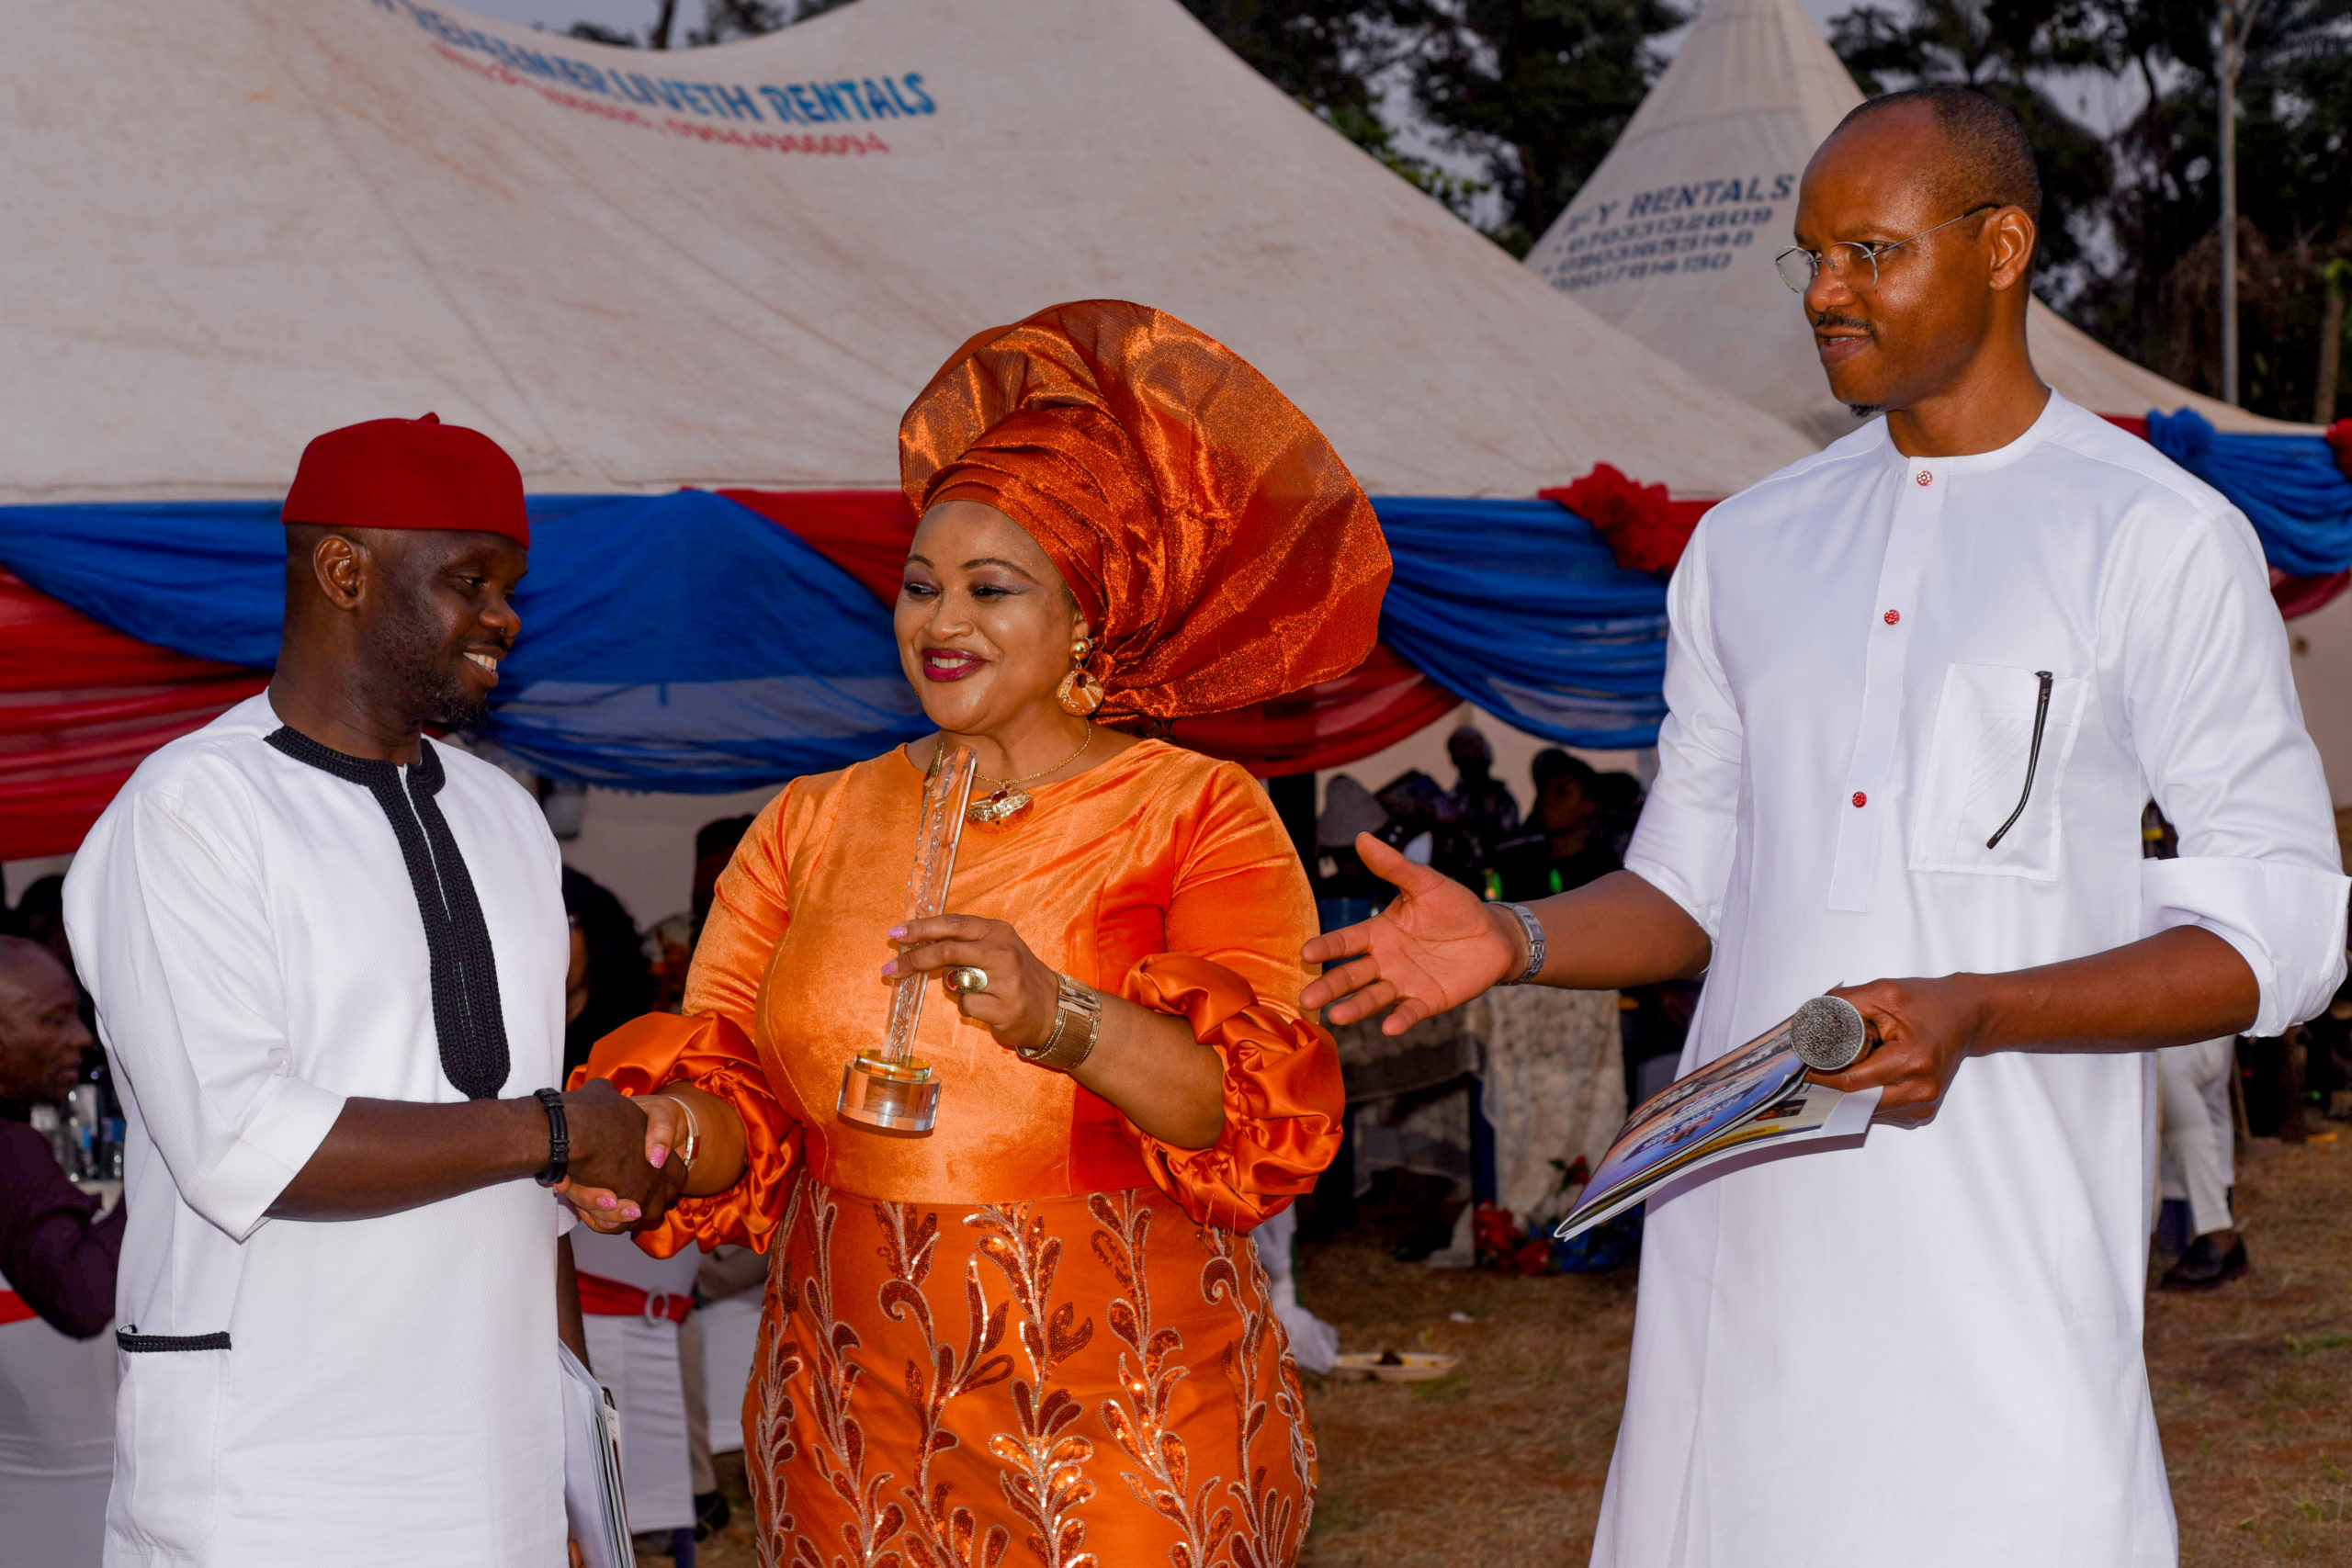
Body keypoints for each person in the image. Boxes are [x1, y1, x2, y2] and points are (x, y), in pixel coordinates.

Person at [1305, 86, 2346, 1567]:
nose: (1823, 292)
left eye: (1872, 252)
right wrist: (1514, 935)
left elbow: (2281, 925)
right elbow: (1690, 882)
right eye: (1811, 254)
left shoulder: (2155, 536)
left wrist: (1979, 1006)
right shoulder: (1748, 545)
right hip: (1747, 1248)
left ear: (2002, 248)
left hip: (2006, 1240)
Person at [564, 300, 1382, 1564]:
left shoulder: (1195, 810)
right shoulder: (811, 819)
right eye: (920, 586)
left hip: (1121, 1410)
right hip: (850, 1414)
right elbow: (744, 1096)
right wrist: (669, 1133)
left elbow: (1246, 1117)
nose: (941, 622)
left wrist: (1059, 1016)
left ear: (1086, 615)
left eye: (991, 590)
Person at [60, 414, 677, 1566]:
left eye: (510, 587)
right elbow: (248, 1144)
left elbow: (531, 1192)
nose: (505, 617)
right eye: (469, 581)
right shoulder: (191, 813)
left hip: (494, 1475)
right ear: (343, 571)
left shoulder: (505, 817)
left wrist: (573, 1479)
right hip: (274, 1484)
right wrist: (555, 1130)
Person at [0, 937, 120, 1568]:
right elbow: (82, 1292)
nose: (82, 1039)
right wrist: (160, 1173)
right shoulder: (9, 1150)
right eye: (53, 1020)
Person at [1491, 749, 1618, 901]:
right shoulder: (1516, 865)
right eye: (1543, 791)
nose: (1547, 800)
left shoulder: (1606, 873)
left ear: (1589, 805)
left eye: (1561, 792)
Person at [1434, 725, 1521, 888]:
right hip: (1471, 888)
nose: (1478, 747)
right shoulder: (1450, 805)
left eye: (1479, 740)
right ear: (1454, 758)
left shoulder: (1503, 795)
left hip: (1514, 883)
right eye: (1467, 744)